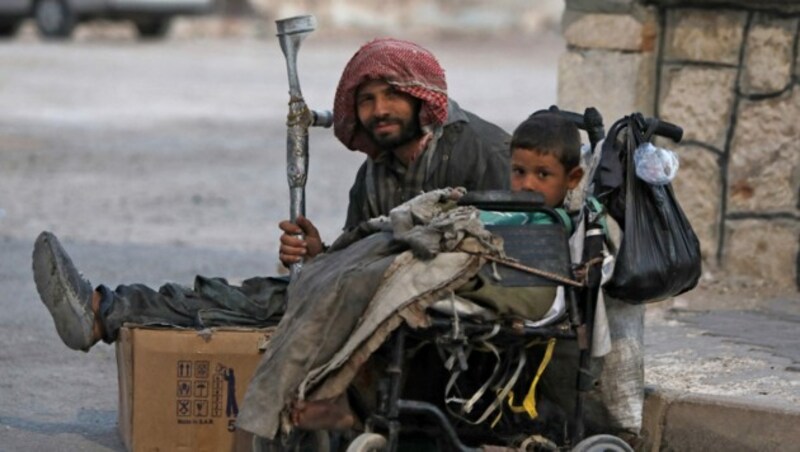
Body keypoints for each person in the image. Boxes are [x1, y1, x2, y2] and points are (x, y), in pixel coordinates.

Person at [32, 37, 510, 354]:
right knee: (252, 298)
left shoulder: (479, 149)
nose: (378, 110)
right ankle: (103, 311)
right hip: (372, 297)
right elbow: (360, 251)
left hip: (448, 310)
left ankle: (105, 311)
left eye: (390, 95)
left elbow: (523, 251)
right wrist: (321, 254)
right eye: (366, 100)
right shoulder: (374, 175)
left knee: (273, 305)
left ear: (419, 97)